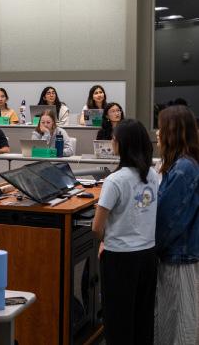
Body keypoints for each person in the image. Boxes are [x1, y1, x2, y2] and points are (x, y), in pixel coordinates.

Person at [92, 119, 159, 345]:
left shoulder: (115, 180)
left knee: (118, 320)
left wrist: (104, 241)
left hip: (120, 258)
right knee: (142, 317)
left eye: (114, 138)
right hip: (148, 255)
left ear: (122, 144)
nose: (112, 141)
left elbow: (96, 227)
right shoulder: (152, 175)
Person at [154, 105, 199, 345]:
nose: (158, 133)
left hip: (179, 256)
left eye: (161, 128)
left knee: (179, 326)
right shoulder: (183, 164)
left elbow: (167, 220)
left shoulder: (183, 168)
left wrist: (150, 248)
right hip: (179, 253)